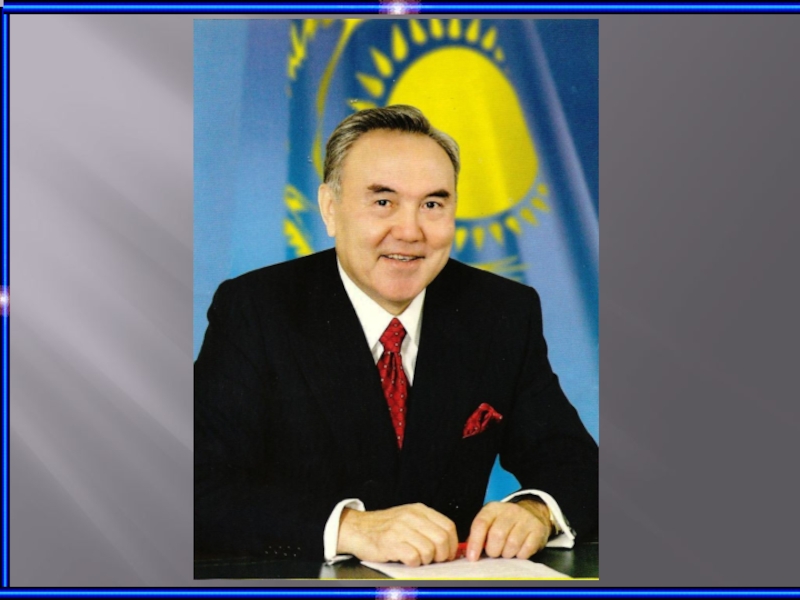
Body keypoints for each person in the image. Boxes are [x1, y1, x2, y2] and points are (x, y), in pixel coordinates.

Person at [194, 105, 598, 567]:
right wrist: (350, 528)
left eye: (432, 205)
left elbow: (576, 462)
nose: (409, 232)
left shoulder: (501, 311)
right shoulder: (256, 309)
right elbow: (196, 485)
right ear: (330, 208)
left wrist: (537, 510)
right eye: (383, 202)